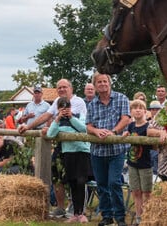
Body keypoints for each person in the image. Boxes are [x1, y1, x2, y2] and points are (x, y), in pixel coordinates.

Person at [18, 78, 87, 218]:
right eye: (59, 87)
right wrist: (28, 126)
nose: (61, 90)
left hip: (77, 146)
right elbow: (46, 116)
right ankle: (61, 207)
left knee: (78, 179)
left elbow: (78, 125)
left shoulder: (78, 102)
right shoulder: (56, 101)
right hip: (63, 144)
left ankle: (78, 211)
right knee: (56, 173)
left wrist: (56, 123)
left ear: (71, 89)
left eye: (64, 87)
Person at [86, 73, 131, 226]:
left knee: (114, 183)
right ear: (95, 85)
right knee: (102, 185)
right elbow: (88, 125)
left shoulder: (121, 98)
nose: (103, 84)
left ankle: (120, 217)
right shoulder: (92, 104)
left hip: (117, 149)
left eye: (105, 81)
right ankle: (107, 216)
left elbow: (126, 118)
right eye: (99, 82)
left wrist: (113, 132)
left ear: (110, 83)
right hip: (98, 151)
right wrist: (96, 131)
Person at [47, 96, 90, 223]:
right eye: (62, 108)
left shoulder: (79, 115)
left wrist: (71, 117)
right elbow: (50, 134)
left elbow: (83, 129)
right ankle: (75, 213)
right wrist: (58, 119)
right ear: (58, 109)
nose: (65, 110)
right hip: (68, 153)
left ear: (70, 107)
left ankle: (81, 213)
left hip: (82, 152)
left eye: (67, 107)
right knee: (72, 182)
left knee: (81, 181)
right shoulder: (58, 121)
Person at [122, 99, 161, 224]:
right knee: (136, 191)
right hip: (132, 163)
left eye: (140, 108)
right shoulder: (131, 125)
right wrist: (125, 133)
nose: (137, 110)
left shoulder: (148, 126)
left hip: (145, 164)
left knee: (147, 192)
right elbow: (128, 133)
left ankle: (147, 217)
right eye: (134, 108)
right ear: (131, 111)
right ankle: (139, 217)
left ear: (145, 111)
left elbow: (154, 143)